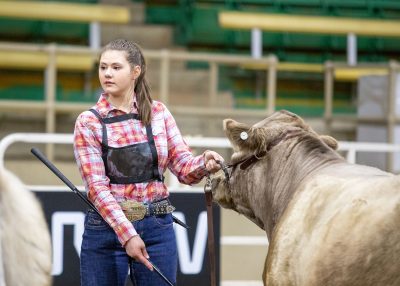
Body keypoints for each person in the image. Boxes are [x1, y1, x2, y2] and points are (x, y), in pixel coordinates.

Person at [73, 38, 224, 286]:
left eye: (115, 67)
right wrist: (128, 235)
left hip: (158, 226)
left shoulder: (159, 113)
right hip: (106, 231)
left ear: (135, 72)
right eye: (103, 67)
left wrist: (203, 164)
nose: (107, 73)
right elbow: (97, 189)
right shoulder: (88, 122)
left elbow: (183, 167)